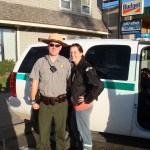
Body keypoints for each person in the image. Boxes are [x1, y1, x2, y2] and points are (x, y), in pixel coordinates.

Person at [30, 33, 71, 150]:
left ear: (60, 47)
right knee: (43, 134)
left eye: (56, 45)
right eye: (51, 44)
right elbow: (35, 83)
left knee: (61, 133)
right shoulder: (40, 62)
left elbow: (71, 82)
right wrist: (33, 101)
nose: (54, 47)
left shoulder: (66, 63)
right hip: (44, 104)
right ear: (48, 46)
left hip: (61, 104)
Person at [69, 43, 104, 150]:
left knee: (84, 132)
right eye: (71, 52)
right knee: (75, 129)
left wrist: (87, 98)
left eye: (75, 52)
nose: (72, 54)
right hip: (75, 104)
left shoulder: (85, 66)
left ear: (81, 53)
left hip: (83, 106)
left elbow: (99, 85)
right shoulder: (75, 66)